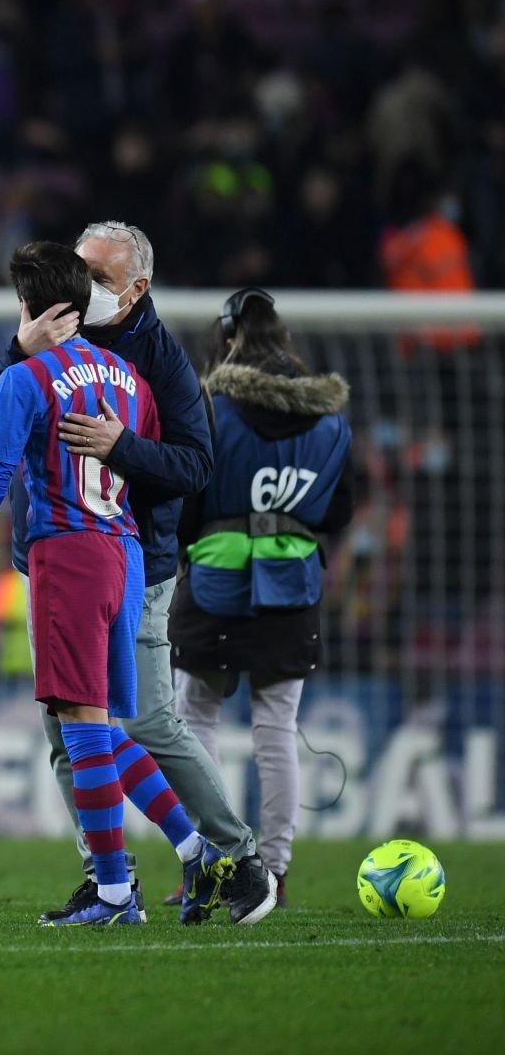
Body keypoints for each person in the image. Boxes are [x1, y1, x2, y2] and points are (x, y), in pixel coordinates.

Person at [0, 220, 276, 926]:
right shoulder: (50, 328)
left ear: (137, 289)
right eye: (81, 270)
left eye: (102, 279)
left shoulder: (161, 361)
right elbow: (0, 414)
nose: (84, 288)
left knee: (141, 719)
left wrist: (124, 447)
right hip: (54, 554)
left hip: (135, 560)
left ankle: (239, 859)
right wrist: (17, 349)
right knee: (64, 730)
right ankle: (109, 877)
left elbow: (198, 467)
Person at [173, 290, 354, 911]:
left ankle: (215, 864)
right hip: (293, 588)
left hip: (215, 585)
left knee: (194, 722)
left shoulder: (212, 410)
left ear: (228, 339)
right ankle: (273, 871)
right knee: (275, 731)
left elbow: (187, 502)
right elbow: (338, 512)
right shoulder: (332, 421)